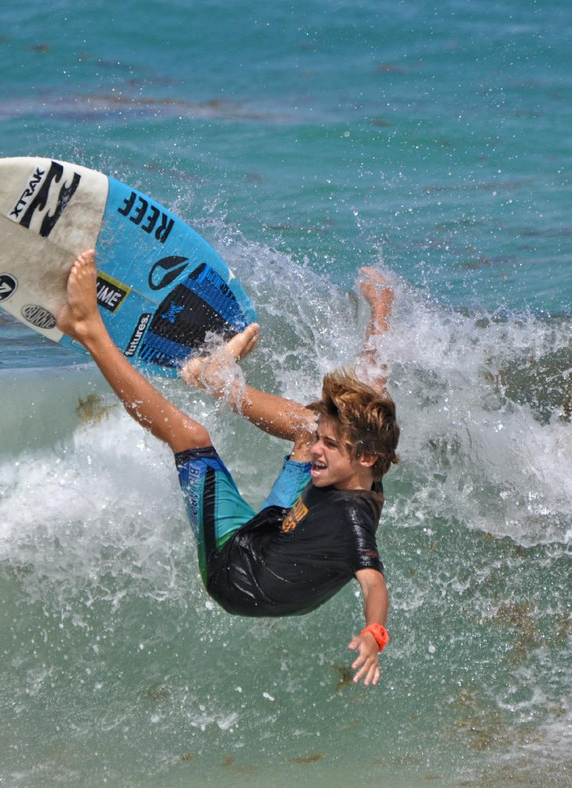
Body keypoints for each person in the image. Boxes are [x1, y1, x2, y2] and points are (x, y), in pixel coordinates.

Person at [56, 249, 400, 686]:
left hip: (238, 573)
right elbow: (373, 389)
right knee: (306, 426)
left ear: (365, 458)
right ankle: (218, 377)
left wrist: (374, 633)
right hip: (274, 533)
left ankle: (88, 330)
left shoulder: (353, 519)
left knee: (190, 438)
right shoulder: (367, 460)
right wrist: (382, 309)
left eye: (331, 447)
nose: (319, 451)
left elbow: (374, 584)